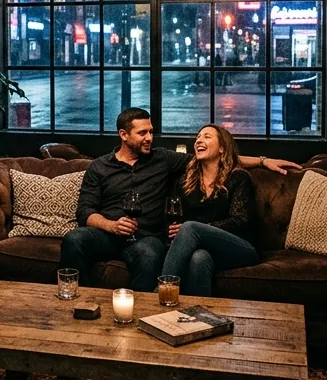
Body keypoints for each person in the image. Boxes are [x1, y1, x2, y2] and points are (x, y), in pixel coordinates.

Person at [59, 108, 299, 291]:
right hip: (108, 234)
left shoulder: (162, 159)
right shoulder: (99, 167)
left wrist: (262, 161)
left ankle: (151, 303)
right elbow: (85, 211)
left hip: (146, 237)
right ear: (123, 135)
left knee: (151, 255)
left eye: (151, 132)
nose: (150, 138)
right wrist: (111, 225)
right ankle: (81, 301)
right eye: (142, 133)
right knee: (74, 239)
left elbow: (218, 158)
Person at [159, 125, 259, 296]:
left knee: (190, 227)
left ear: (222, 148)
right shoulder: (185, 182)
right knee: (200, 258)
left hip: (240, 248)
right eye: (198, 137)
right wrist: (176, 230)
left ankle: (162, 291)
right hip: (203, 250)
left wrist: (199, 229)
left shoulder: (238, 178)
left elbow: (240, 222)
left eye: (207, 137)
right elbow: (175, 219)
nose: (199, 140)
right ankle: (197, 318)